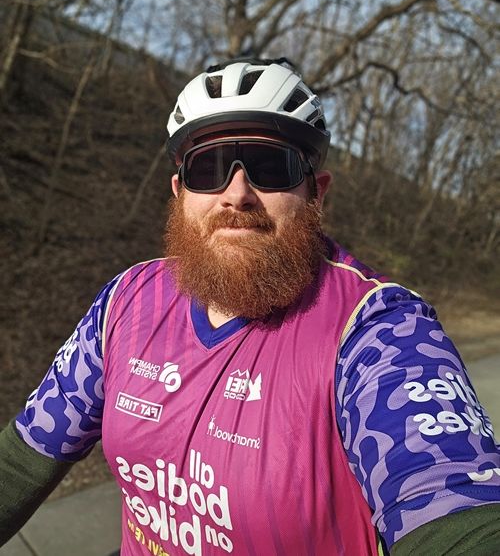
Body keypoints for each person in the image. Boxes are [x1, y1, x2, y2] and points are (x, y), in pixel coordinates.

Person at [0, 57, 499, 555]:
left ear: (316, 193)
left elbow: (453, 506)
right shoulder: (127, 301)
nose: (236, 195)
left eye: (270, 166)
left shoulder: (379, 329)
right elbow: (23, 459)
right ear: (179, 193)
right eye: (208, 168)